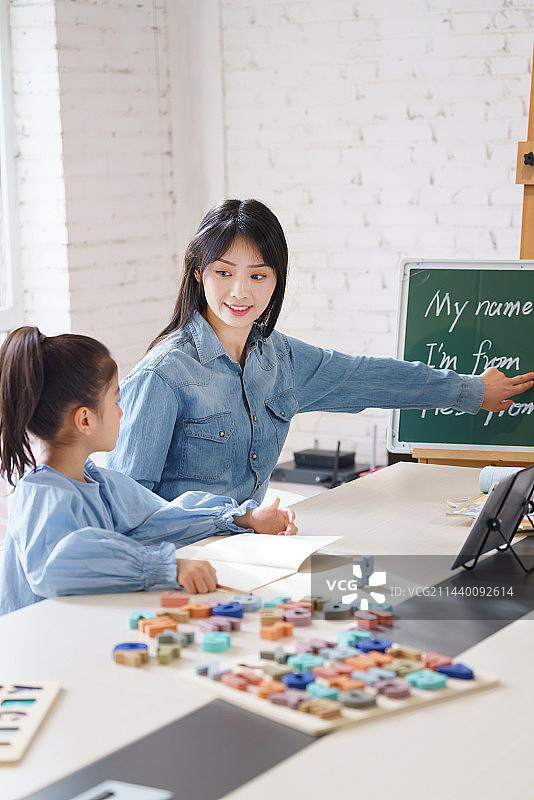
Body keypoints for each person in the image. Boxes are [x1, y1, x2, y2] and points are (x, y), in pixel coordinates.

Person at [108, 198, 534, 504]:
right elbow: (126, 505)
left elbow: (368, 377)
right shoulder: (161, 376)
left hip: (250, 556)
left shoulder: (280, 359)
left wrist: (471, 390)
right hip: (185, 564)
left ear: (277, 280)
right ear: (199, 274)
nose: (240, 292)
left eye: (258, 276)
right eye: (224, 272)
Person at [0, 327, 297, 615]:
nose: (122, 411)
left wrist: (243, 517)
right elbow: (58, 564)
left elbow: (158, 519)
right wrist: (166, 567)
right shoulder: (41, 495)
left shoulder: (99, 483)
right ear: (85, 420)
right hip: (35, 645)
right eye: (116, 400)